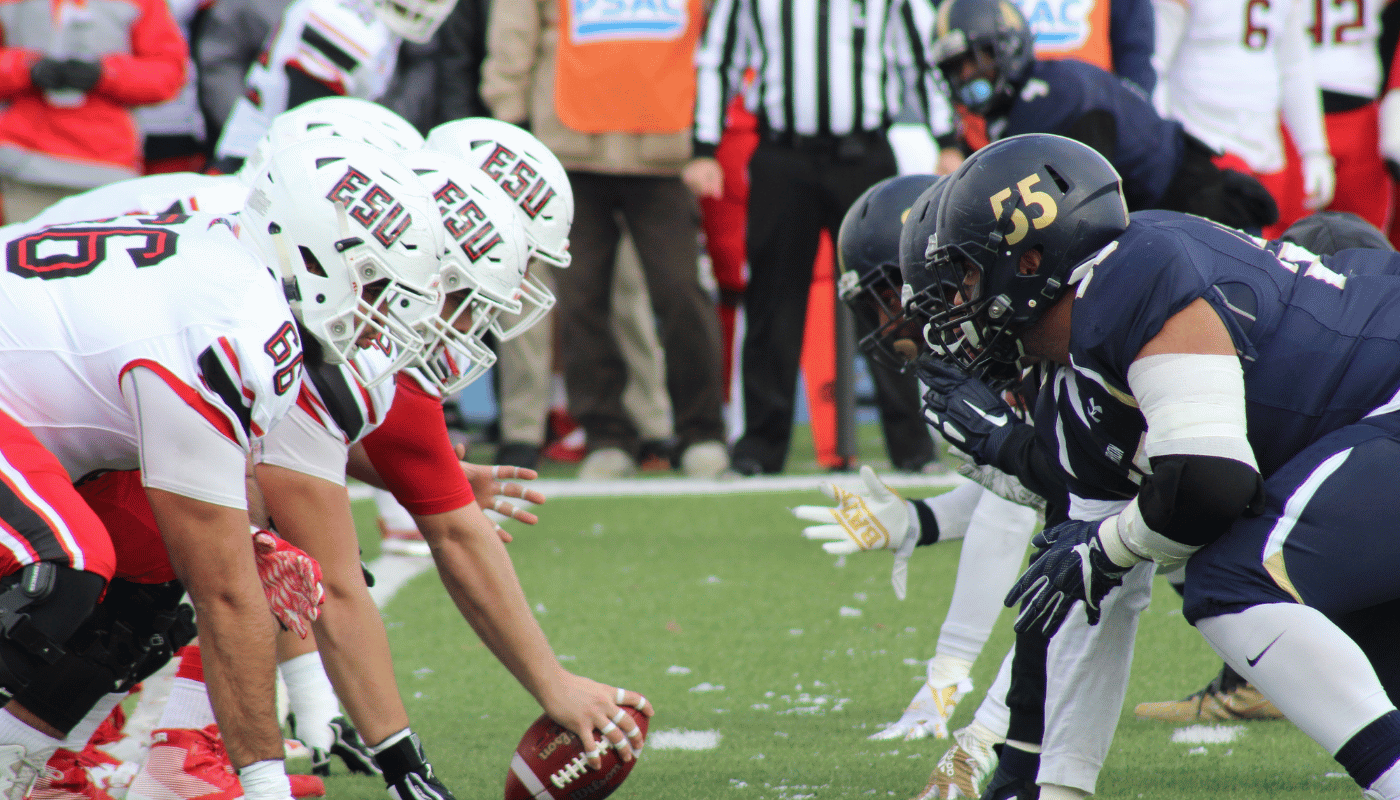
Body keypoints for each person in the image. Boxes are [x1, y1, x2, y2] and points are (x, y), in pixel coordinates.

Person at [929, 132, 1400, 800]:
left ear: (1030, 258)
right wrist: (1056, 787)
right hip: (1373, 434)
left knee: (1231, 580)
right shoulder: (1073, 392)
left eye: (969, 277)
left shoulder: (1131, 272)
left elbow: (1211, 482)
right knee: (1367, 665)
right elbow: (1094, 605)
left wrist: (1111, 545)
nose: (958, 308)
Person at [688, 0, 945, 476]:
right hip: (784, 156)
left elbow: (921, 58)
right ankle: (761, 448)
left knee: (891, 299)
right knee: (772, 301)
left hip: (864, 153)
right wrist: (704, 145)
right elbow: (718, 57)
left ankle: (913, 445)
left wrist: (947, 138)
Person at [480, 0, 728, 480]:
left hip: (665, 146)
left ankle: (703, 432)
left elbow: (720, 35)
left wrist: (705, 142)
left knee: (682, 294)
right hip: (570, 147)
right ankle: (605, 435)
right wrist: (512, 125)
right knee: (580, 300)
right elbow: (513, 32)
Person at [932, 0, 1279, 234]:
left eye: (979, 59)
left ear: (1008, 45)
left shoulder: (1054, 99)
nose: (968, 76)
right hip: (1161, 209)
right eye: (957, 68)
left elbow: (1074, 219)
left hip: (1193, 207)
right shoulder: (1034, 93)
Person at [1151, 0, 1333, 236]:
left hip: (1264, 147)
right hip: (1202, 144)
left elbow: (1295, 66)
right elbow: (1155, 63)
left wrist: (1314, 151)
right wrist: (1167, 144)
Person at [210, 0, 457, 172]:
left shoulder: (376, 22)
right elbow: (307, 128)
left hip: (269, 160)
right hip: (255, 165)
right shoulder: (344, 20)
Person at [0, 0, 187, 222]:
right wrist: (24, 69)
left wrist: (106, 74)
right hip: (22, 166)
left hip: (106, 168)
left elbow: (168, 72)